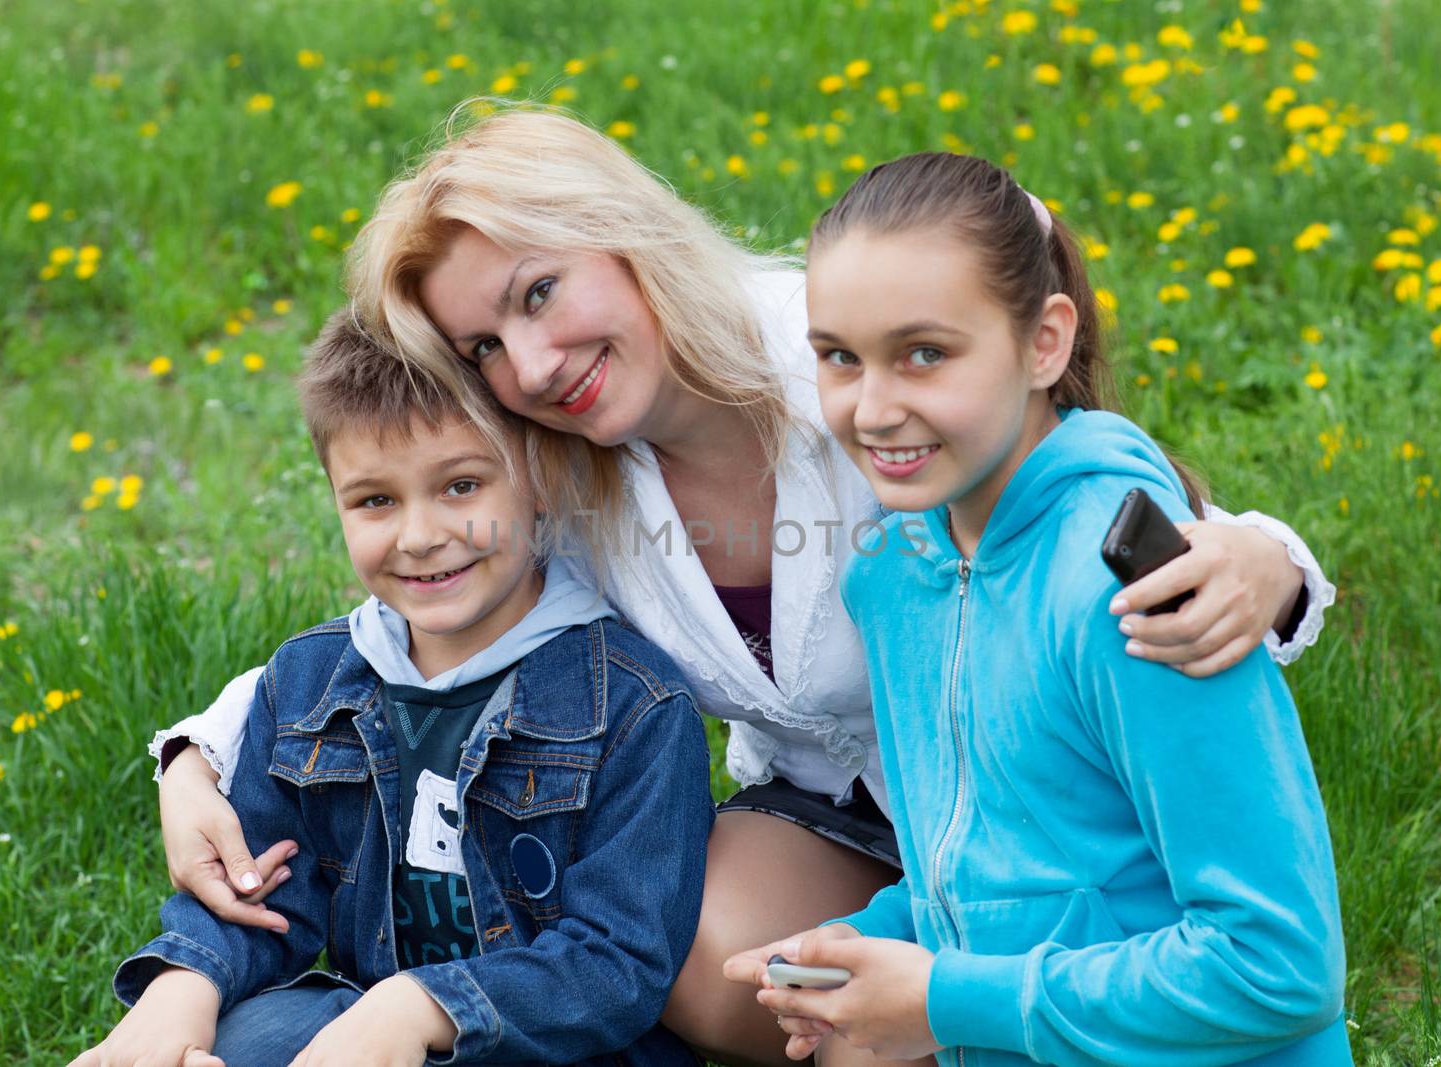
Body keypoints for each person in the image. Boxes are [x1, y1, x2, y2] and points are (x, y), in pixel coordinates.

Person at [149, 108, 1337, 1067]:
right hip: (841, 814)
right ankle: (925, 1004)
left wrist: (1267, 562)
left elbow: (1101, 507)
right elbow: (431, 609)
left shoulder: (844, 354)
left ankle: (987, 1001)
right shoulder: (562, 460)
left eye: (539, 294)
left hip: (1039, 792)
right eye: (482, 349)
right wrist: (198, 752)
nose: (531, 365)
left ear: (620, 233)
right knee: (701, 963)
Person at [725, 152, 1350, 1067]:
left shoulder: (1140, 589)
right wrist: (849, 950)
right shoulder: (895, 577)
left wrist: (943, 1000)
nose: (875, 405)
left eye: (925, 353)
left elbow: (1279, 965)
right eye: (839, 359)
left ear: (1044, 343)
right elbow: (963, 868)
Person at [74, 311, 712, 1067]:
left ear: (542, 480)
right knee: (236, 1040)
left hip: (561, 1045)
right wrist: (185, 981)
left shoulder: (635, 706)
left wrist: (422, 1004)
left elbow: (619, 966)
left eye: (461, 485)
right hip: (368, 1025)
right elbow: (266, 888)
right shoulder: (310, 681)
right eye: (376, 500)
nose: (417, 535)